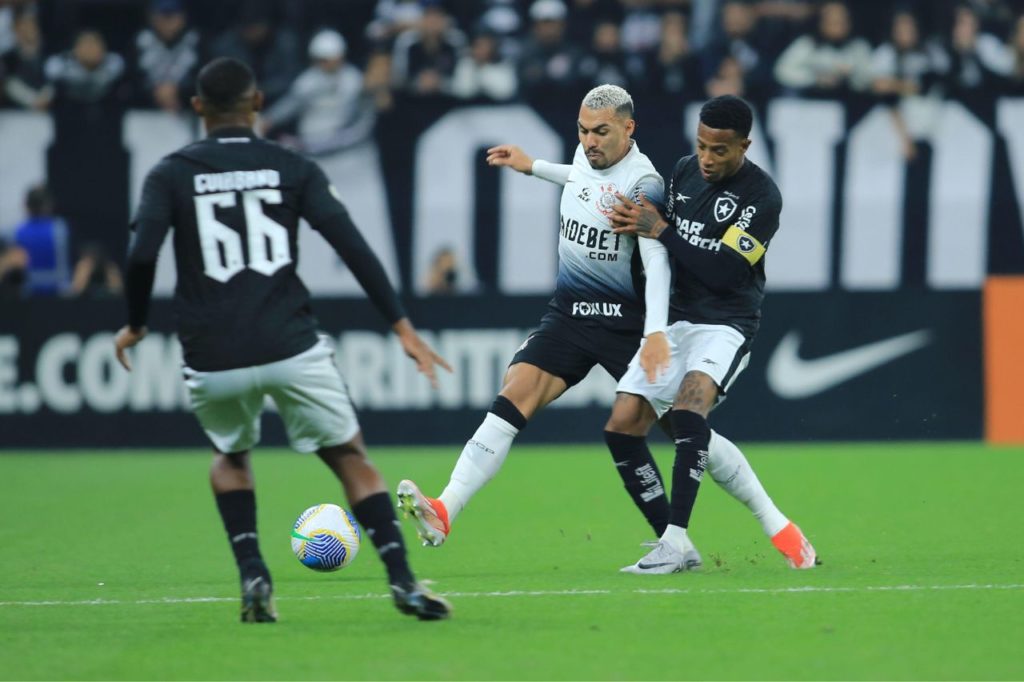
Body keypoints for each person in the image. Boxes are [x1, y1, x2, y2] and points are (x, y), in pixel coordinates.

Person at [112, 57, 452, 623]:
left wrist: (136, 323)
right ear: (259, 102)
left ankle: (254, 573)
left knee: (229, 456)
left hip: (211, 351)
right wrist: (402, 327)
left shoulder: (170, 173)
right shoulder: (290, 166)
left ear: (197, 108)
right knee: (351, 458)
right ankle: (403, 583)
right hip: (289, 341)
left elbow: (142, 253)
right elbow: (352, 246)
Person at [395, 84, 675, 548]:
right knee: (515, 392)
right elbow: (583, 177)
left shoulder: (645, 185)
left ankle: (773, 523)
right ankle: (445, 509)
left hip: (624, 324)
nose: (589, 141)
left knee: (684, 427)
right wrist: (533, 167)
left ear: (629, 128)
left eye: (601, 132)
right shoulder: (589, 156)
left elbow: (658, 259)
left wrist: (656, 333)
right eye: (583, 130)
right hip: (570, 316)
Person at [608, 95, 818, 574]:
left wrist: (661, 230)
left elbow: (722, 271)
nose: (706, 158)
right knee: (623, 425)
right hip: (675, 322)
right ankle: (771, 527)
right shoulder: (683, 172)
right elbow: (654, 234)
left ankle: (676, 541)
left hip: (726, 322)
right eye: (701, 146)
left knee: (688, 412)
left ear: (744, 145)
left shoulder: (762, 197)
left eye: (719, 151)